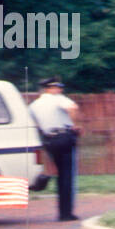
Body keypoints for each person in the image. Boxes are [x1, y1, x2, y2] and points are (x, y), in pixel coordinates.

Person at [30, 77, 80, 221]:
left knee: (59, 175)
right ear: (50, 88)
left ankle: (62, 211)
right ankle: (66, 213)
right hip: (63, 136)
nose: (60, 89)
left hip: (49, 139)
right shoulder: (58, 98)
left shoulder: (34, 105)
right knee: (67, 176)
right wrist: (75, 125)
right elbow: (73, 107)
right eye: (57, 87)